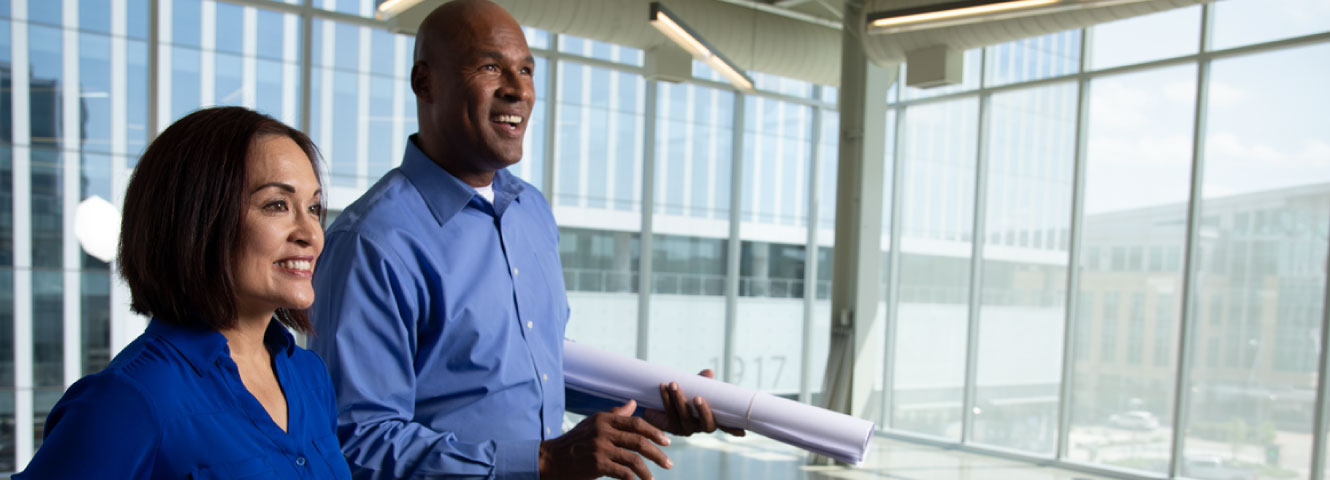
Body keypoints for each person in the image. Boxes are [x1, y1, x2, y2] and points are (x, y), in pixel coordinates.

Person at [310, 1, 740, 478]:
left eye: (527, 70)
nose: (518, 91)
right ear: (424, 82)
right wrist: (544, 461)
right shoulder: (371, 242)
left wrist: (641, 409)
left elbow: (538, 366)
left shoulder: (529, 210)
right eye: (491, 67)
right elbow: (359, 440)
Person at [15, 107, 351, 479]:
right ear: (199, 219)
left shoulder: (309, 375)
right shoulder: (128, 401)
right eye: (277, 205)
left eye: (314, 208)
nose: (311, 234)